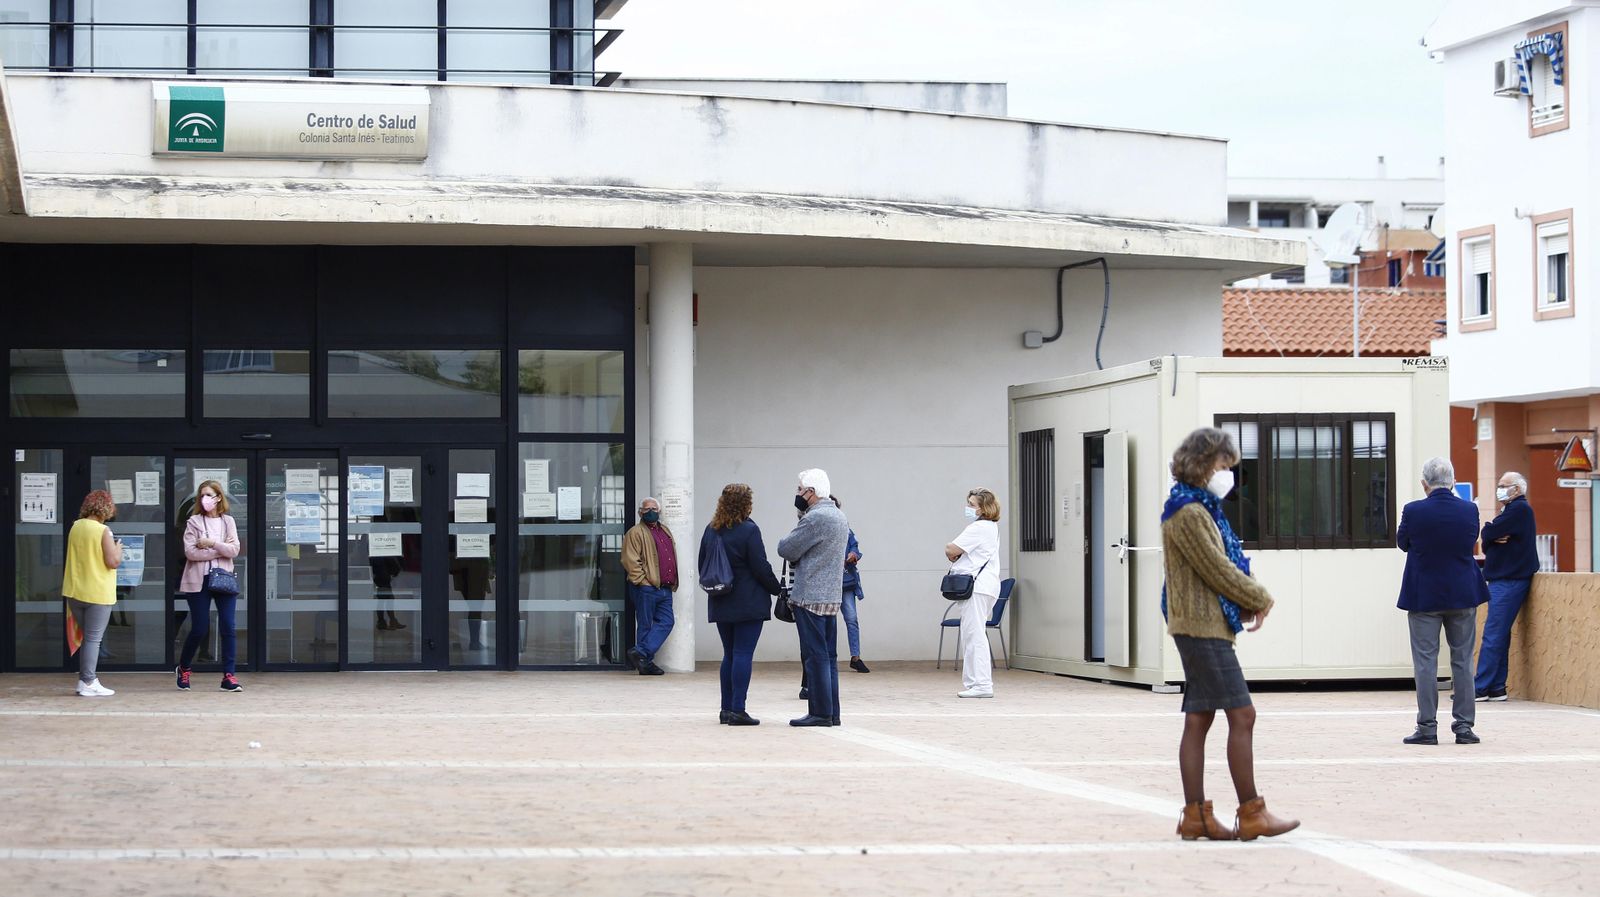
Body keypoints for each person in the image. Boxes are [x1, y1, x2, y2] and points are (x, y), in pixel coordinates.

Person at [1161, 427, 1297, 842]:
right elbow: (1216, 568)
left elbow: (1220, 565)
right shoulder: (1189, 512)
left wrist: (1245, 597)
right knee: (1242, 714)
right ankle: (1252, 813)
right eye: (1224, 465)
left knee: (1200, 718)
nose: (1228, 474)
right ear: (1204, 463)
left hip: (1199, 625)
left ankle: (1196, 817)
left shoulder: (1198, 508)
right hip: (1201, 627)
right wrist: (1258, 597)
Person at [1397, 457, 1489, 746]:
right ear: (1453, 481)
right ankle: (1464, 728)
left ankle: (1427, 728)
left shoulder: (1413, 510)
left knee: (1425, 662)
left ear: (1424, 483)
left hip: (1423, 595)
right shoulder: (1469, 509)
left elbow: (1402, 543)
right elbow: (1471, 540)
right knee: (1463, 661)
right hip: (1463, 594)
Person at [703, 484, 782, 726]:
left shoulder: (711, 529)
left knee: (729, 654)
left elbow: (703, 563)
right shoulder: (749, 530)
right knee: (742, 654)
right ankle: (738, 709)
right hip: (748, 602)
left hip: (721, 599)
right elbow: (760, 567)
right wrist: (777, 589)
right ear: (746, 503)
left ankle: (726, 709)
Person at [778, 469, 850, 727]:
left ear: (811, 492)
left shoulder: (815, 518)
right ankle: (832, 712)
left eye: (800, 489)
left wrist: (800, 520)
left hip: (810, 596)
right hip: (831, 595)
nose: (797, 493)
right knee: (829, 657)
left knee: (815, 656)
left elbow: (786, 548)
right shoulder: (839, 516)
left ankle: (819, 713)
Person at [1474, 471, 1539, 702]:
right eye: (1499, 485)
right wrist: (1491, 536)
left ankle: (1479, 688)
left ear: (1517, 489)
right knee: (1500, 634)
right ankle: (1496, 688)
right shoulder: (1510, 511)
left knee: (1493, 634)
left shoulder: (1519, 509)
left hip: (1509, 581)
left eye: (1504, 485)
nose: (1499, 489)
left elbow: (1488, 532)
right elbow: (1487, 538)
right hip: (1504, 580)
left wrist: (1491, 534)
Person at [176, 479, 243, 692]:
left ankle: (229, 676)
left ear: (218, 498)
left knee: (228, 626)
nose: (205, 499)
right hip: (199, 580)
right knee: (200, 628)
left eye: (209, 495)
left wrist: (211, 543)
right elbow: (190, 553)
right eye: (202, 495)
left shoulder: (228, 522)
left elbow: (234, 550)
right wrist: (220, 550)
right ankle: (184, 668)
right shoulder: (193, 522)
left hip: (223, 578)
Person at [62, 490, 122, 697]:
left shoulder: (76, 526)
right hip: (97, 592)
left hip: (75, 591)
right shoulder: (103, 530)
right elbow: (112, 561)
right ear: (106, 508)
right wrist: (118, 548)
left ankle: (87, 680)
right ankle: (87, 681)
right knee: (93, 639)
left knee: (88, 638)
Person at [946, 488, 1002, 698]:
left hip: (977, 587)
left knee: (974, 635)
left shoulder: (978, 528)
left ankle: (982, 684)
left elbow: (951, 549)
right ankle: (973, 682)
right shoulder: (991, 528)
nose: (968, 507)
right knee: (972, 634)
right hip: (986, 586)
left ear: (983, 508)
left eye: (972, 504)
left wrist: (951, 550)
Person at [622, 496, 677, 676]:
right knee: (645, 625)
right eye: (646, 509)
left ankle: (641, 653)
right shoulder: (635, 532)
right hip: (646, 588)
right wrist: (643, 582)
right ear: (640, 512)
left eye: (654, 508)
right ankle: (645, 664)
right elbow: (630, 561)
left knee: (667, 621)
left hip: (665, 588)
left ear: (659, 511)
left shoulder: (665, 531)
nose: (651, 512)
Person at [837, 494, 869, 674]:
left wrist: (853, 555)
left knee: (851, 618)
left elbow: (855, 546)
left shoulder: (845, 528)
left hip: (846, 582)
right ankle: (826, 656)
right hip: (826, 583)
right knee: (825, 621)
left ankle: (855, 657)